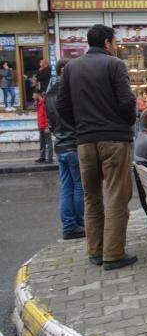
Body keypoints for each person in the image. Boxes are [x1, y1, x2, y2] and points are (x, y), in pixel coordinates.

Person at [56, 24, 137, 271]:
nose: (116, 46)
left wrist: (81, 126)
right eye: (115, 42)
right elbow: (126, 102)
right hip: (113, 140)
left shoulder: (71, 67)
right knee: (116, 196)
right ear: (106, 43)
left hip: (84, 141)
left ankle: (95, 250)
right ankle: (113, 254)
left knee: (92, 198)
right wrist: (123, 124)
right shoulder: (115, 65)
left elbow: (62, 106)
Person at [45, 58, 85, 240]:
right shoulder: (69, 92)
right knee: (78, 186)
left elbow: (51, 122)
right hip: (72, 144)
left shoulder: (49, 94)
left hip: (60, 145)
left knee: (66, 187)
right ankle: (79, 223)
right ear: (63, 71)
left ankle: (69, 226)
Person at [34, 90, 53, 163]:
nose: (33, 97)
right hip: (41, 126)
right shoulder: (38, 103)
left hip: (45, 126)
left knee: (48, 142)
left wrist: (47, 126)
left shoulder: (44, 103)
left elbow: (47, 115)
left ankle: (50, 158)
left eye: (34, 95)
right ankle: (42, 157)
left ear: (37, 94)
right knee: (42, 142)